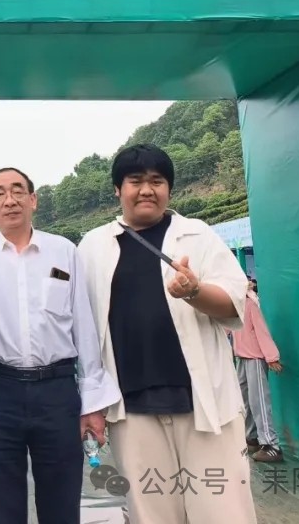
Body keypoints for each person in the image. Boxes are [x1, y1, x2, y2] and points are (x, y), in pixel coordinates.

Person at [78, 144, 256, 524]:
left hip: (204, 404)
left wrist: (194, 291)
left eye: (157, 181)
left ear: (169, 189)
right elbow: (81, 326)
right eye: (135, 181)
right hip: (131, 410)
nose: (147, 189)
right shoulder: (92, 247)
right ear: (117, 189)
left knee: (223, 513)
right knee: (151, 514)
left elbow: (233, 302)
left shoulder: (197, 235)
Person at [0, 167, 119, 524]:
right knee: (1, 502)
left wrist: (92, 404)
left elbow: (83, 326)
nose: (9, 200)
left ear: (33, 199)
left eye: (18, 191)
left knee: (62, 499)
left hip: (57, 390)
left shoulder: (63, 251)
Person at [233, 278, 284, 463]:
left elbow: (262, 331)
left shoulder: (250, 305)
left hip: (255, 358)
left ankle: (271, 445)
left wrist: (271, 356)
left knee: (259, 401)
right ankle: (252, 438)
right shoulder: (234, 307)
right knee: (244, 400)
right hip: (242, 358)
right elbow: (225, 329)